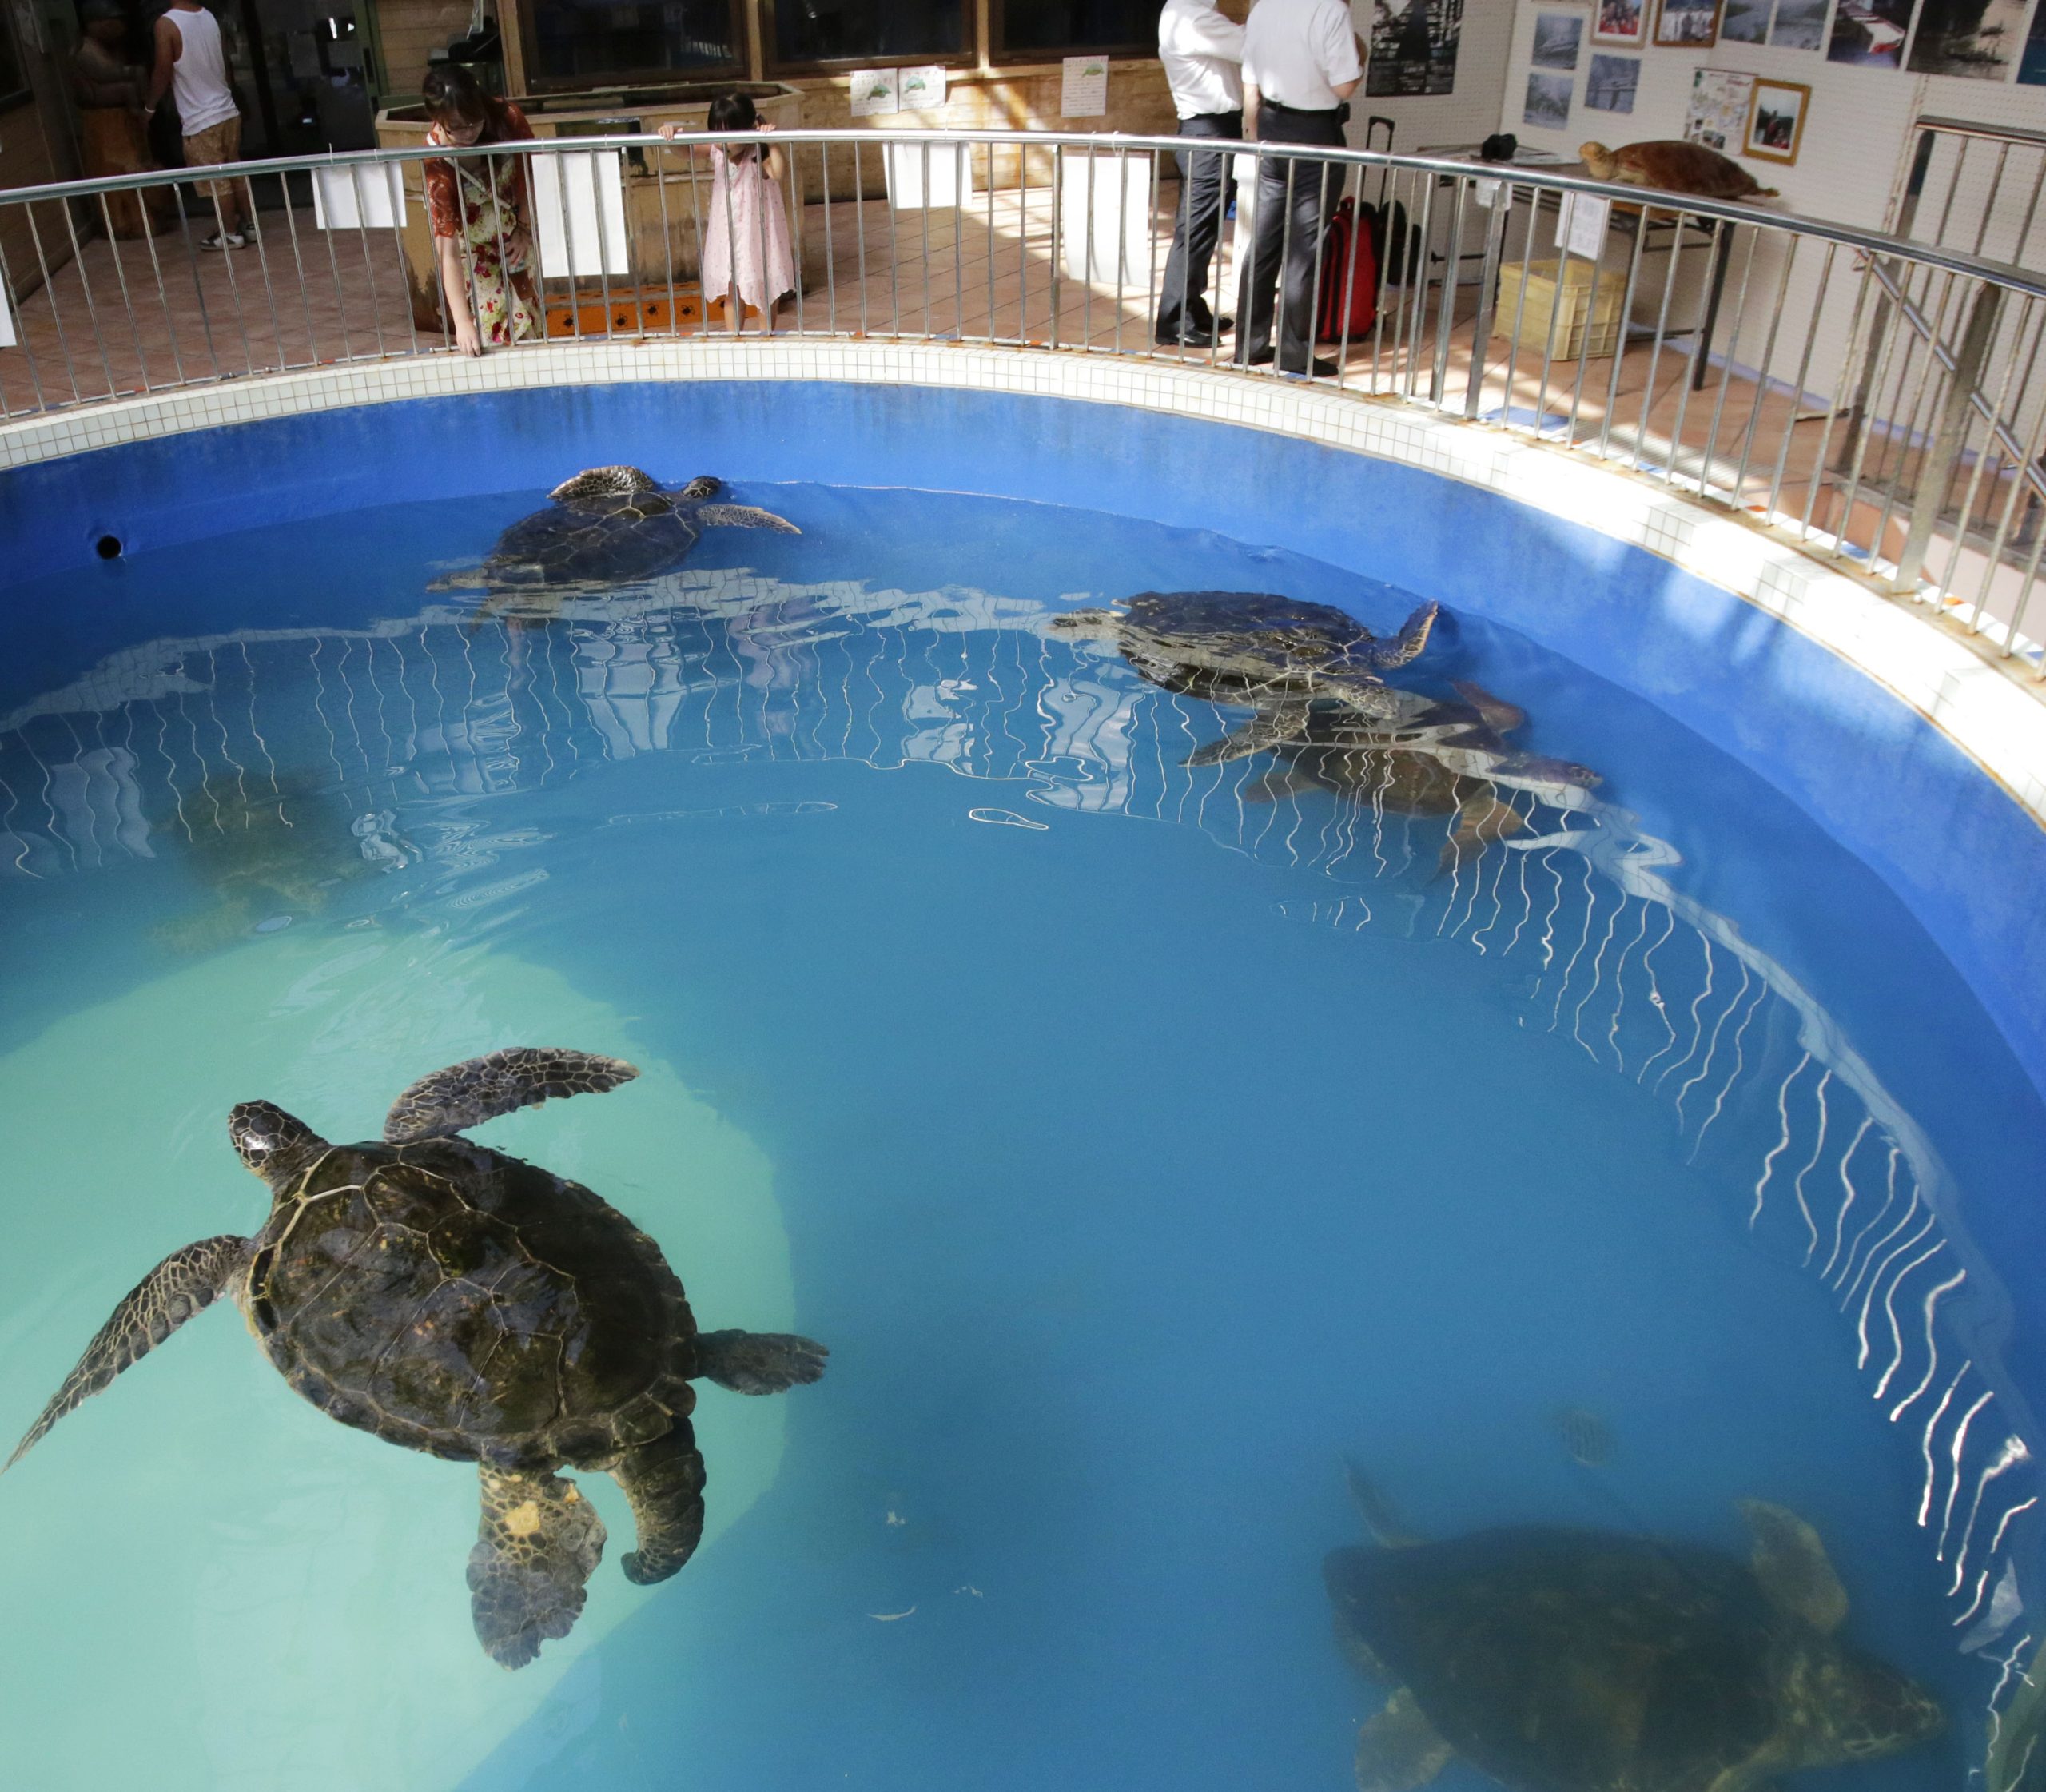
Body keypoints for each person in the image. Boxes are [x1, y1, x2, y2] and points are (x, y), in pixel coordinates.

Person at [1234, 0, 1365, 376]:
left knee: (1264, 241)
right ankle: (1294, 352)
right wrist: (1361, 56)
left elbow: (1250, 87)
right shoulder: (1330, 11)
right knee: (1304, 248)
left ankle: (1249, 344)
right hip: (1315, 133)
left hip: (1272, 131)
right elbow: (1343, 87)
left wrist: (1256, 135)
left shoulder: (1264, 8)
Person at [421, 63, 539, 356]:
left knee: (531, 324)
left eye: (474, 122)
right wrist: (461, 322)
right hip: (474, 254)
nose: (468, 133)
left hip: (515, 240)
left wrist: (524, 228)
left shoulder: (507, 118)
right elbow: (446, 249)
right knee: (492, 331)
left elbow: (529, 172)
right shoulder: (437, 163)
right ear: (438, 120)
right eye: (456, 127)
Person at [659, 92, 796, 335]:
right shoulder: (717, 151)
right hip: (728, 230)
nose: (723, 143)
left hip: (758, 230)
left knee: (763, 285)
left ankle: (767, 339)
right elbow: (686, 152)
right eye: (717, 134)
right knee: (733, 286)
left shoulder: (758, 152)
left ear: (747, 128)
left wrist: (772, 140)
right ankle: (735, 340)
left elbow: (777, 172)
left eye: (730, 135)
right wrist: (670, 135)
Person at [1155, 0, 1243, 348]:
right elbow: (1251, 46)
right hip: (1209, 132)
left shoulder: (1187, 12)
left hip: (1210, 130)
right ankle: (1174, 319)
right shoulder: (1195, 17)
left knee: (1204, 228)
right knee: (1194, 229)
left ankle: (1192, 306)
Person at [145, 0, 248, 250]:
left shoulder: (166, 24)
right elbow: (225, 62)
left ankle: (230, 234)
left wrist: (149, 107)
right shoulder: (209, 16)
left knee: (216, 179)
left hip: (201, 118)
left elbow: (162, 69)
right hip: (226, 110)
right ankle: (250, 223)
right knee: (234, 169)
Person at [74, 0, 167, 239]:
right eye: (111, 24)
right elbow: (105, 75)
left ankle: (144, 216)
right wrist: (132, 74)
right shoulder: (85, 50)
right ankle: (124, 222)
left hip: (122, 118)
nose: (118, 30)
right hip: (103, 119)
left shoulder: (112, 49)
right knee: (117, 169)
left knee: (137, 164)